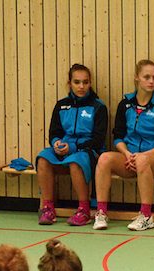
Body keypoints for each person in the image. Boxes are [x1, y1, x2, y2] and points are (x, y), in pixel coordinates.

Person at [94, 60, 154, 232]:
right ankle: (101, 213)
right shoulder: (125, 104)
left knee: (143, 160)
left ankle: (146, 216)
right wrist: (127, 153)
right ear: (137, 78)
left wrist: (144, 155)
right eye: (147, 77)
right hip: (129, 158)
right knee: (104, 158)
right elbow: (118, 136)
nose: (151, 81)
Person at [36, 64, 108, 227]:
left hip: (89, 151)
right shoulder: (61, 105)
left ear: (90, 83)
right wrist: (56, 143)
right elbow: (54, 132)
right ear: (69, 83)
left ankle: (84, 210)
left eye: (85, 82)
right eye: (77, 82)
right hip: (65, 149)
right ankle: (48, 208)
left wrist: (74, 147)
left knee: (76, 162)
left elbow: (98, 140)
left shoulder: (98, 107)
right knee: (43, 158)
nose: (81, 86)